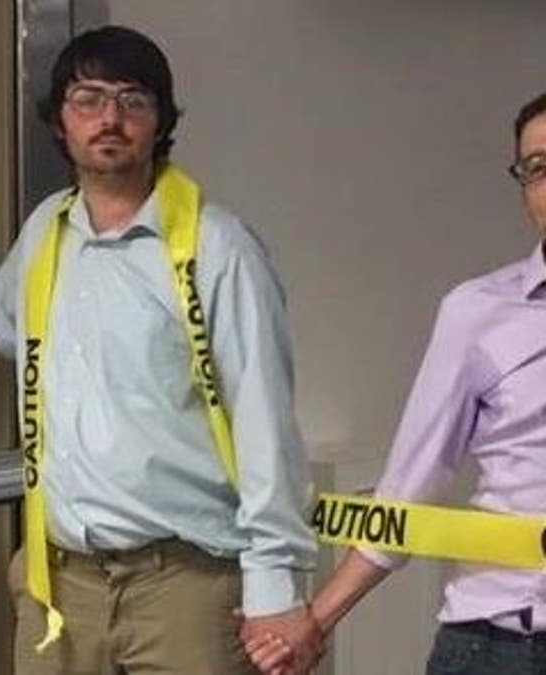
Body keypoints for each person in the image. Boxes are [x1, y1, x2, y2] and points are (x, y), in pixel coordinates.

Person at [0, 25, 319, 675]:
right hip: (62, 588)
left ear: (160, 122)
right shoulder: (50, 228)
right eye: (89, 97)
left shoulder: (219, 248)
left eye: (134, 99)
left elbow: (264, 424)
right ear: (61, 123)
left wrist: (277, 590)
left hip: (185, 588)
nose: (110, 117)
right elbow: (5, 318)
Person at [248, 90, 546, 675]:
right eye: (536, 169)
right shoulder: (475, 313)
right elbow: (408, 492)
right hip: (505, 646)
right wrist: (313, 624)